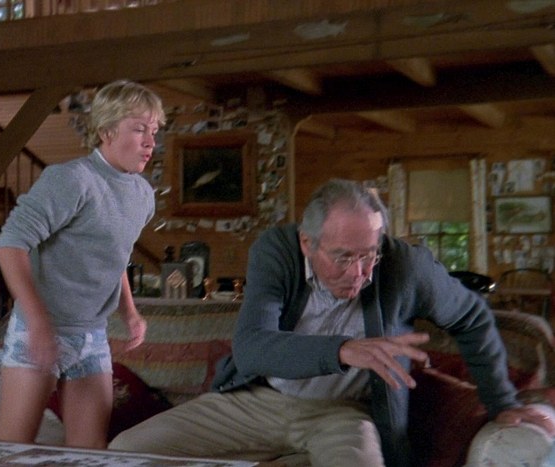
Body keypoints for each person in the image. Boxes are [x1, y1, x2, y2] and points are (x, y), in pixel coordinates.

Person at [109, 178, 555, 466]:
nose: (359, 273)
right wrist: (343, 350)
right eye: (343, 257)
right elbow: (253, 346)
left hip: (344, 412)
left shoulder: (405, 266)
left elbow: (472, 318)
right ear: (308, 243)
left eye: (369, 255)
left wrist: (501, 401)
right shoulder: (278, 253)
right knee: (124, 452)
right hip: (260, 401)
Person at [0, 79, 164, 449]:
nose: (151, 142)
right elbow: (9, 244)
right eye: (139, 129)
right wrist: (38, 320)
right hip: (38, 331)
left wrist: (130, 311)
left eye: (154, 130)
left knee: (90, 455)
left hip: (92, 336)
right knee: (10, 453)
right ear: (106, 130)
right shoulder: (72, 180)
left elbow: (115, 256)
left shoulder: (142, 195)